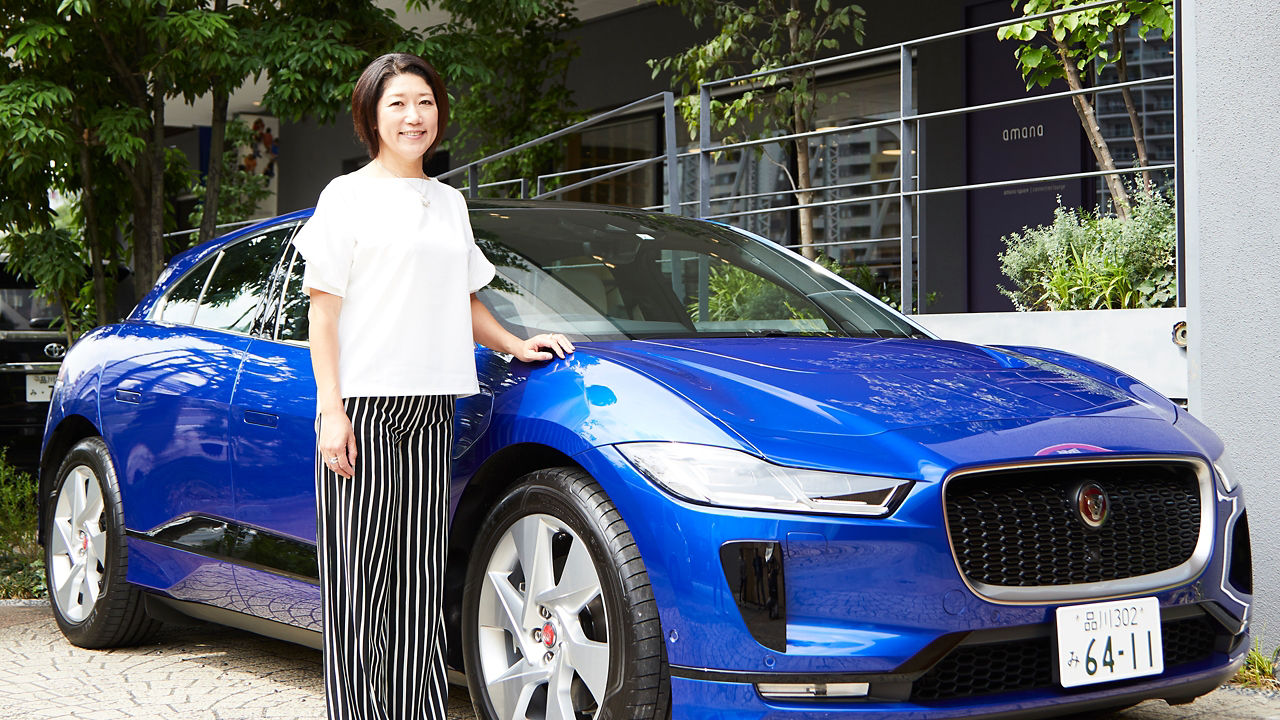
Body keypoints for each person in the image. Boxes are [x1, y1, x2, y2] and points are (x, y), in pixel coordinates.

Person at [291, 52, 574, 720]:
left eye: (424, 102)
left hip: (432, 406)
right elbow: (321, 313)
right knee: (360, 589)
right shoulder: (346, 196)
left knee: (419, 582)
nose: (413, 116)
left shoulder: (449, 203)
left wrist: (513, 343)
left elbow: (463, 298)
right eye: (397, 104)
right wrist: (331, 411)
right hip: (363, 408)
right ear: (371, 116)